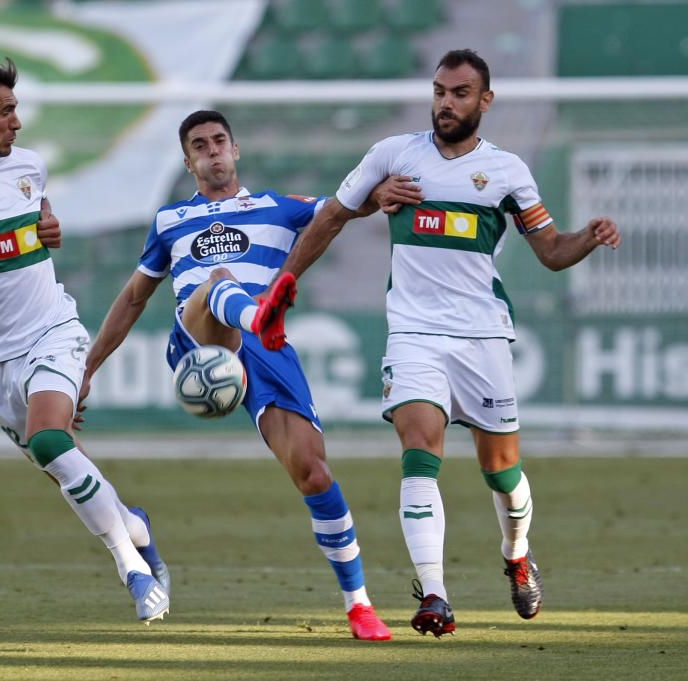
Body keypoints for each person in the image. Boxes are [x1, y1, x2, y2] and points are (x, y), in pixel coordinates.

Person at [272, 49, 622, 637]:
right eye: (439, 91)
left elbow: (551, 253)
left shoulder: (506, 172)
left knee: (502, 471)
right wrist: (285, 281)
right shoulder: (393, 155)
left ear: (485, 101)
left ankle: (516, 555)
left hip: (482, 335)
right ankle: (434, 593)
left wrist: (586, 237)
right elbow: (332, 214)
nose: (445, 103)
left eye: (460, 93)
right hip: (412, 331)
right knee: (418, 451)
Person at [78, 110, 398, 641]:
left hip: (262, 352)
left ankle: (359, 605)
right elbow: (135, 296)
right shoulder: (169, 221)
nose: (211, 151)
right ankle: (258, 312)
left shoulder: (276, 207)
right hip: (198, 338)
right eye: (199, 146)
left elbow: (341, 209)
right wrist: (88, 368)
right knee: (220, 280)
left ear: (236, 149)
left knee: (314, 472)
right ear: (188, 161)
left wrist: (379, 191)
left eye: (219, 141)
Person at [0, 58, 170, 624]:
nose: (17, 122)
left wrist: (48, 229)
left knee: (49, 441)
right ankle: (136, 527)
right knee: (62, 462)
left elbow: (35, 221)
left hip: (53, 329)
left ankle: (133, 570)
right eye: (7, 111)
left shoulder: (30, 167)